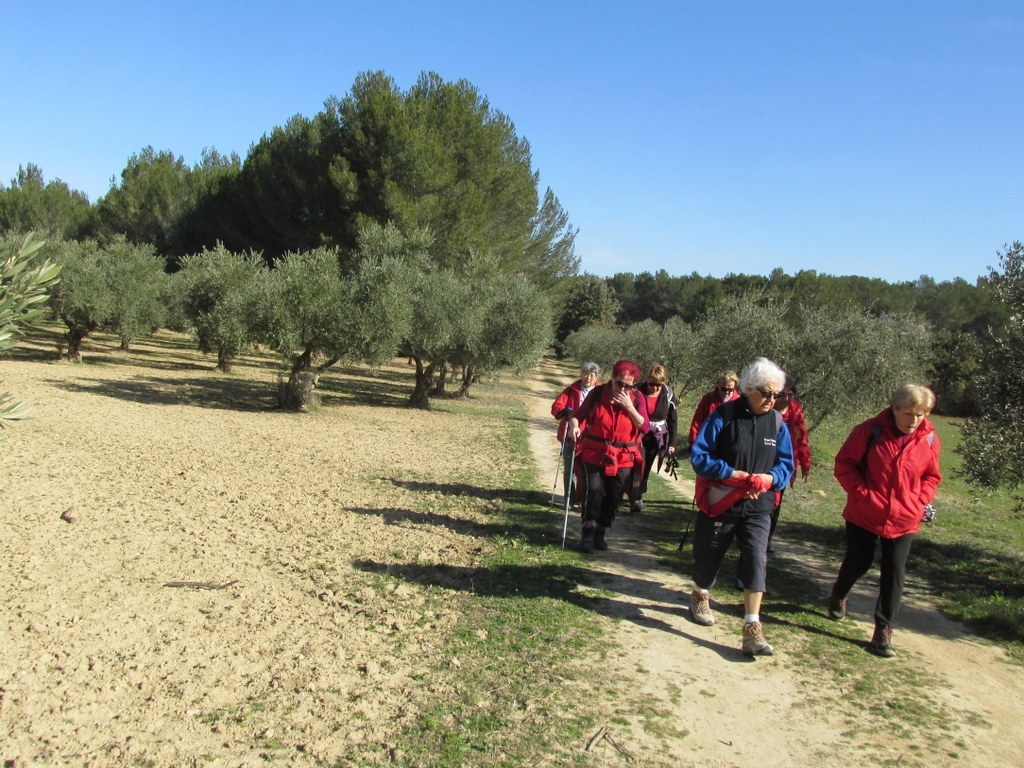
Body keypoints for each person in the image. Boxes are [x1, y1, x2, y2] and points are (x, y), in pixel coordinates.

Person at [688, 357, 794, 657]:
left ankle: (752, 629)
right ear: (748, 389)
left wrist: (770, 478)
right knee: (708, 557)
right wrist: (729, 472)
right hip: (721, 501)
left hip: (760, 506)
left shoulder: (778, 424)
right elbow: (699, 456)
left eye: (778, 395)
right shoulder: (723, 416)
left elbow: (787, 465)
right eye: (767, 393)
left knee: (756, 558)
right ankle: (699, 594)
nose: (772, 400)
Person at [827, 383, 942, 658]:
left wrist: (920, 501)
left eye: (921, 414)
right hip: (865, 512)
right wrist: (862, 494)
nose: (914, 421)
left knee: (894, 572)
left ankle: (883, 630)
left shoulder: (928, 439)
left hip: (905, 517)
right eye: (909, 413)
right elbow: (844, 464)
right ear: (895, 409)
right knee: (859, 561)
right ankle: (839, 594)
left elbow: (931, 476)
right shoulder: (869, 431)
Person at [568, 360, 650, 553]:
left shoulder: (637, 398)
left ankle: (601, 532)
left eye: (628, 386)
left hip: (624, 456)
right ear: (612, 379)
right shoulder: (597, 393)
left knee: (614, 495)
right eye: (619, 383)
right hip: (594, 452)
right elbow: (578, 416)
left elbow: (644, 427)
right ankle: (587, 533)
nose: (623, 388)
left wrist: (629, 407)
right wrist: (573, 426)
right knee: (594, 490)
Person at [767, 375, 811, 550]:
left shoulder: (796, 413)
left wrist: (806, 465)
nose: (786, 398)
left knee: (776, 502)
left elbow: (802, 440)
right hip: (765, 462)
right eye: (782, 394)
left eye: (790, 394)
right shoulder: (766, 409)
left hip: (785, 464)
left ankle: (767, 539)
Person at [551, 362, 601, 504]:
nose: (588, 378)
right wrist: (564, 412)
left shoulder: (601, 392)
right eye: (585, 374)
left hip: (590, 437)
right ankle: (570, 497)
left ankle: (583, 497)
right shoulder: (572, 390)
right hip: (569, 435)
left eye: (592, 375)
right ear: (581, 374)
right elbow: (556, 406)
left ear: (597, 377)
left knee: (585, 470)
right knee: (569, 468)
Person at [631, 364, 678, 513]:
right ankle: (626, 493)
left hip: (656, 436)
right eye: (652, 384)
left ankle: (638, 496)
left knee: (646, 466)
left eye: (659, 384)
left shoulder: (668, 394)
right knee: (632, 465)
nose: (655, 388)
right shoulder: (636, 390)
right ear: (646, 380)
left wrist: (672, 443)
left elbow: (673, 420)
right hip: (636, 434)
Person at [687, 370, 740, 450]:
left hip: (729, 445)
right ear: (718, 385)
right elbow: (697, 421)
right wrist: (693, 442)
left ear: (735, 386)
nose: (726, 392)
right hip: (708, 442)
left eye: (730, 389)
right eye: (723, 389)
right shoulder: (708, 398)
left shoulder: (738, 401)